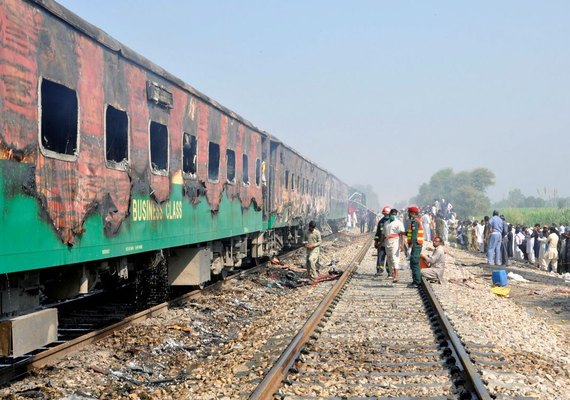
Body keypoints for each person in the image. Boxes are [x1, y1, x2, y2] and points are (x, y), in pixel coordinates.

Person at [383, 208, 406, 283]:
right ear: (389, 214)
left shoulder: (399, 223)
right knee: (389, 259)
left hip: (395, 241)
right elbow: (383, 234)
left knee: (395, 258)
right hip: (387, 242)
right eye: (392, 214)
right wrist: (380, 243)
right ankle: (392, 274)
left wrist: (402, 245)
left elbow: (402, 234)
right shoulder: (386, 223)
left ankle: (396, 276)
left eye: (395, 214)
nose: (393, 216)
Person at [406, 206, 424, 288]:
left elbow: (414, 235)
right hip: (416, 244)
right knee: (414, 262)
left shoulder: (415, 222)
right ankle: (416, 280)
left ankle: (417, 282)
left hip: (416, 245)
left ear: (413, 213)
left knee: (414, 262)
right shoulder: (416, 221)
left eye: (409, 213)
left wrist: (410, 247)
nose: (408, 214)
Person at [374, 206, 391, 277]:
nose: (385, 215)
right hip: (382, 243)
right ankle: (379, 271)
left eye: (386, 214)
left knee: (389, 258)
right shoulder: (381, 221)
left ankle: (390, 271)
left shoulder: (392, 221)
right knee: (380, 257)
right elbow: (378, 232)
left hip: (390, 243)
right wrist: (376, 241)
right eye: (384, 214)